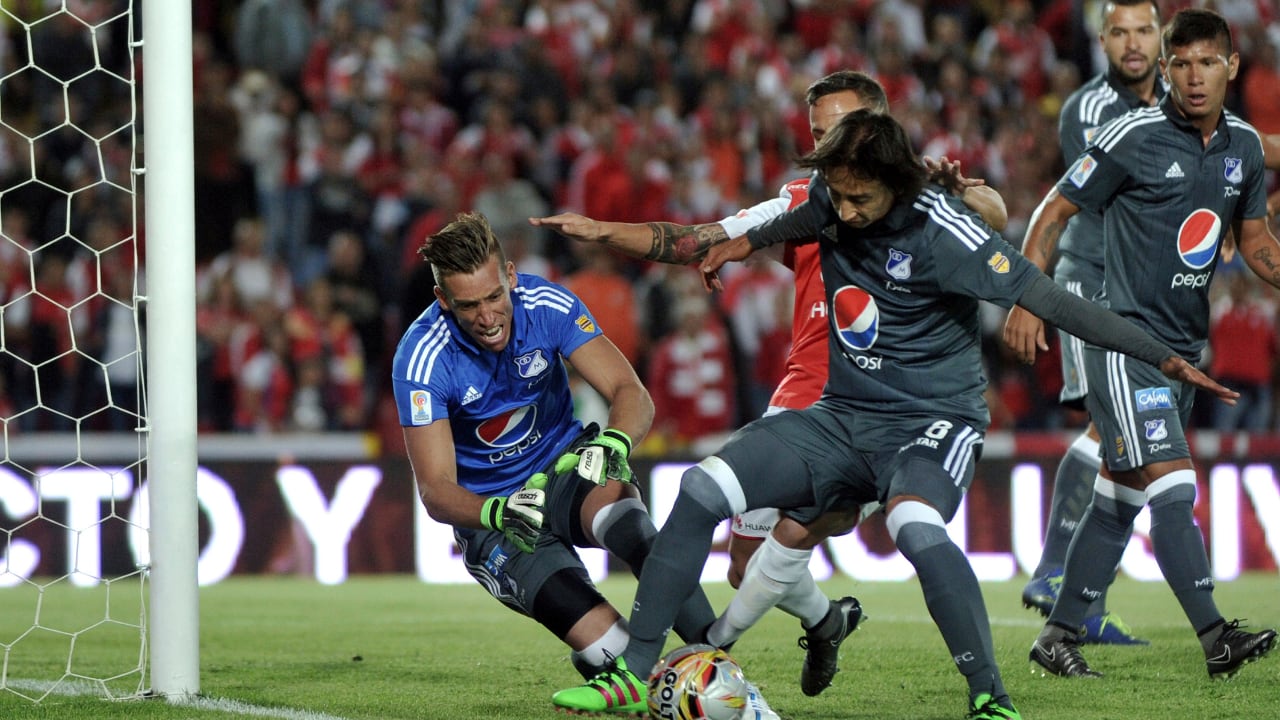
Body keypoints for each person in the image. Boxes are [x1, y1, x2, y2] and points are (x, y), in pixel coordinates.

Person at [549, 109, 1236, 720]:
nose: (843, 212)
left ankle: (990, 696)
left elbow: (1060, 305)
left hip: (932, 420)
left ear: (895, 183)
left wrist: (1163, 357)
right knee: (700, 490)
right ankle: (636, 675)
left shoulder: (949, 233)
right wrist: (736, 243)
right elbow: (792, 220)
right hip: (843, 414)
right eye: (837, 196)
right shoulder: (830, 195)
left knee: (912, 522)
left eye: (858, 199)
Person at [533, 69, 1008, 700]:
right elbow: (701, 238)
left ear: (877, 123)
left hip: (878, 406)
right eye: (815, 131)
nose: (823, 145)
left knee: (805, 528)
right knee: (744, 566)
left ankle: (697, 659)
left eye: (836, 129)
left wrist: (966, 200)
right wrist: (604, 232)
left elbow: (993, 213)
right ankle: (825, 620)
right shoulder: (804, 199)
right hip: (801, 398)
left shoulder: (919, 193)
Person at [391, 211, 772, 709]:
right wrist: (497, 513)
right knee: (627, 670)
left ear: (510, 276)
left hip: (567, 469)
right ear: (442, 301)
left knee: (634, 532)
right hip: (498, 518)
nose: (487, 317)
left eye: (493, 297)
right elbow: (436, 490)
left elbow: (628, 391)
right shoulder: (421, 358)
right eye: (468, 306)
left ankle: (733, 679)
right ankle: (609, 660)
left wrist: (613, 444)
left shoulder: (546, 303)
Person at [1003, 9, 1279, 680]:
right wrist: (1025, 296)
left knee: (1119, 499)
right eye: (1180, 63)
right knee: (1173, 484)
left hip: (1183, 348)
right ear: (1165, 69)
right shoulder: (1131, 133)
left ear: (1231, 68)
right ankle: (1216, 636)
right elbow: (1054, 209)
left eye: (1207, 62)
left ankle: (1056, 636)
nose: (1193, 77)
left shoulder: (1243, 147)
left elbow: (1255, 244)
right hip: (1121, 339)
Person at [1005, 0, 1166, 646]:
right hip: (1095, 278)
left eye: (1144, 30)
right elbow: (1123, 196)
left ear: (1162, 37)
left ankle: (1078, 594)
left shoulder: (1171, 103)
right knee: (1115, 426)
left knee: (1127, 437)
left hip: (1138, 286)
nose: (1132, 43)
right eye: (1120, 31)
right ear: (1100, 40)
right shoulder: (1094, 110)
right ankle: (1056, 576)